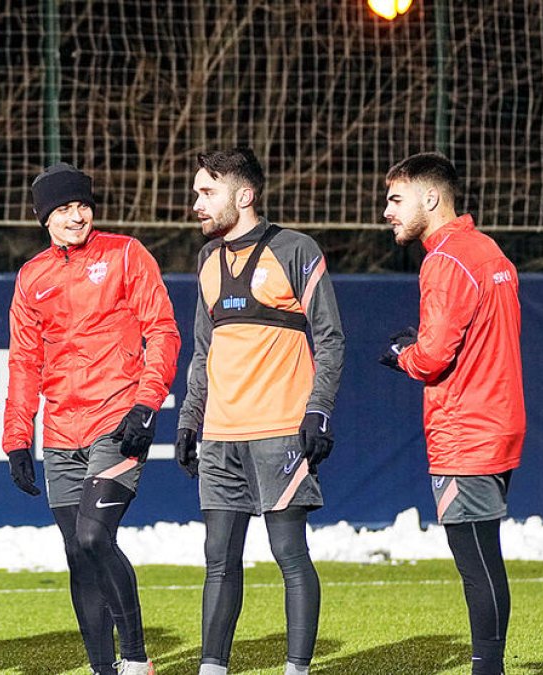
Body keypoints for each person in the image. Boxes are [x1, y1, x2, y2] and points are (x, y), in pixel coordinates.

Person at [1, 163, 180, 675]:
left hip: (117, 420)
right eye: (63, 209)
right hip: (59, 432)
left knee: (94, 537)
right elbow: (25, 361)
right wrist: (17, 438)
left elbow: (162, 332)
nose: (76, 216)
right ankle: (103, 669)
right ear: (44, 219)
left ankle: (137, 658)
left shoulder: (126, 254)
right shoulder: (31, 277)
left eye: (82, 205)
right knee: (77, 556)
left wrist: (146, 405)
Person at [175, 148, 345, 675]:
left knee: (288, 554)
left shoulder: (295, 249)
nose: (196, 202)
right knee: (218, 560)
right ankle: (212, 667)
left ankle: (297, 669)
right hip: (221, 437)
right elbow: (203, 351)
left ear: (243, 196)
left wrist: (317, 412)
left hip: (280, 435)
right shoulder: (206, 262)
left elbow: (331, 338)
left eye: (208, 192)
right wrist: (188, 419)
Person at [378, 152, 524, 675]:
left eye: (396, 199)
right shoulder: (488, 251)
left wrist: (403, 356)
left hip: (467, 430)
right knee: (485, 555)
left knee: (477, 562)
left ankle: (488, 668)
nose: (387, 212)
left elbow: (435, 357)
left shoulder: (445, 260)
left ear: (431, 198)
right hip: (498, 422)